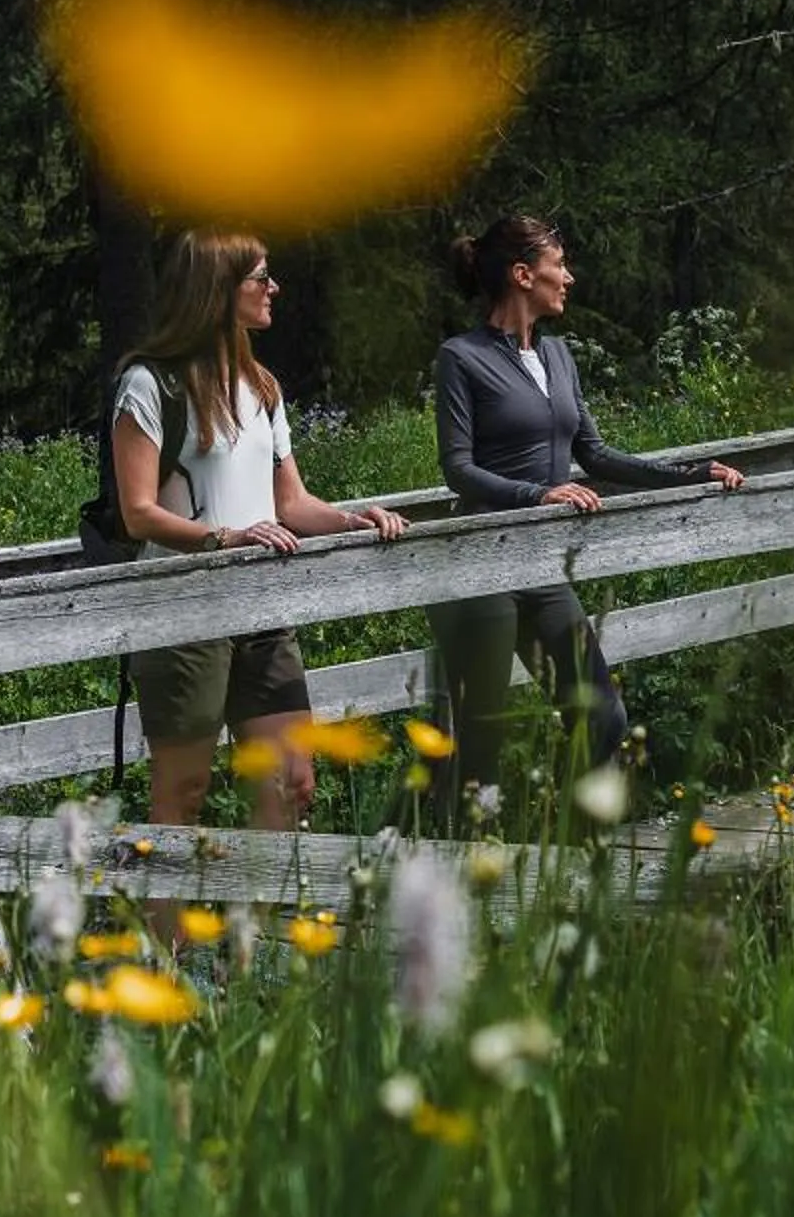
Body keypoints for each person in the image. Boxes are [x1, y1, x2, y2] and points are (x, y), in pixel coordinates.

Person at [427, 215, 743, 825]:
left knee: (602, 718)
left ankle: (574, 864)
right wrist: (535, 495)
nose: (568, 277)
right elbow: (458, 469)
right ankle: (460, 887)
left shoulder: (557, 354)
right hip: (481, 570)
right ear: (523, 275)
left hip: (543, 571)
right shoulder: (460, 358)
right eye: (558, 265)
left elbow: (594, 454)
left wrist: (692, 473)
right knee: (481, 747)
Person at [111, 229, 406, 833]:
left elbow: (290, 501)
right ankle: (167, 931)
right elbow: (137, 513)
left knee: (291, 782)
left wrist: (354, 520)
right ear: (218, 290)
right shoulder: (151, 385)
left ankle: (266, 927)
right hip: (183, 611)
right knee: (184, 792)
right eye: (260, 278)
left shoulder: (262, 387)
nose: (275, 288)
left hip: (264, 611)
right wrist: (226, 539)